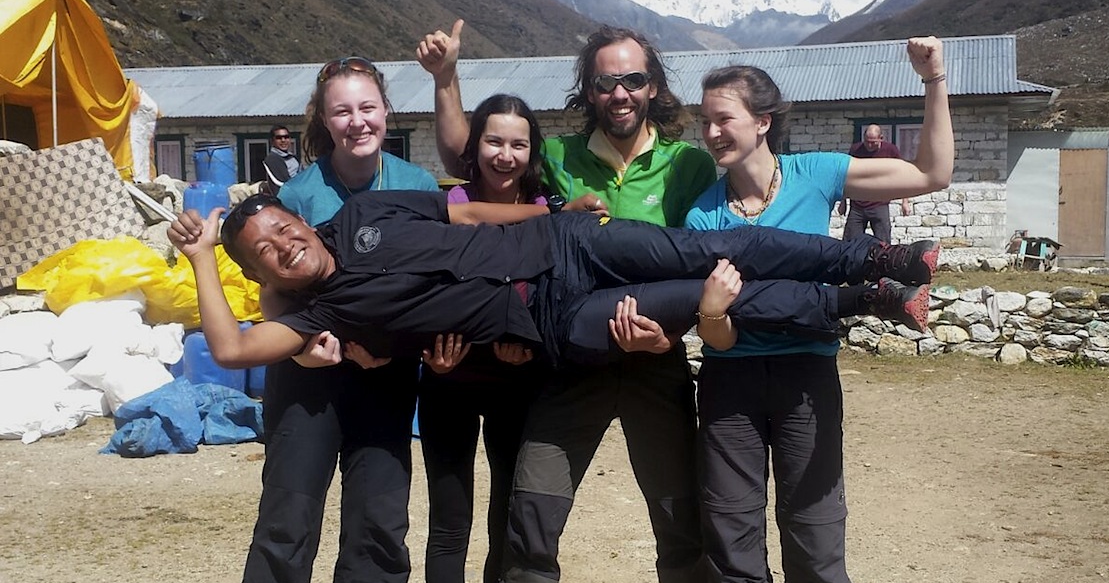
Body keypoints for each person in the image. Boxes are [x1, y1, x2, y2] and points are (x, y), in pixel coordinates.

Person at [417, 19, 721, 583]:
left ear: (654, 87)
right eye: (605, 80)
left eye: (633, 80)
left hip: (656, 368)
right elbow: (468, 156)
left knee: (681, 523)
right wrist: (446, 77)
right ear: (587, 87)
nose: (619, 93)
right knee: (532, 519)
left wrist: (671, 331)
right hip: (568, 375)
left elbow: (704, 263)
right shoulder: (554, 158)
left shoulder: (688, 167)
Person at [683, 39, 952, 583]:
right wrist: (712, 314)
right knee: (734, 541)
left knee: (816, 543)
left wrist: (934, 82)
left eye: (723, 118)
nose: (711, 132)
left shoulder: (818, 173)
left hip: (807, 381)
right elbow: (716, 338)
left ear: (763, 120)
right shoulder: (705, 215)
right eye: (704, 121)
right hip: (732, 385)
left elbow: (932, 172)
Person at [222, 56, 440, 583]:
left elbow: (431, 280)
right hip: (308, 380)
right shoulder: (300, 192)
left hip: (385, 378)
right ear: (324, 121)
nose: (357, 122)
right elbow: (274, 291)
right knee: (288, 526)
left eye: (368, 107)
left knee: (380, 526)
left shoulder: (417, 184)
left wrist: (411, 343)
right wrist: (305, 345)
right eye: (342, 111)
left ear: (387, 111)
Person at [167, 190, 937, 370]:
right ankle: (868, 302)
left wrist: (545, 205)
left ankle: (879, 259)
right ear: (259, 272)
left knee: (721, 244)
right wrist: (206, 255)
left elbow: (464, 216)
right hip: (553, 319)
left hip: (567, 240)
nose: (282, 244)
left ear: (298, 219)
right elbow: (232, 350)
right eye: (263, 251)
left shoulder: (365, 210)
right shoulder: (319, 314)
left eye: (281, 228)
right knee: (713, 296)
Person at [421, 94, 552, 583]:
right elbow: (419, 288)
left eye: (518, 144)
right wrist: (431, 353)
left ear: (533, 151)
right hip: (446, 382)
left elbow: (556, 299)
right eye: (494, 142)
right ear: (472, 147)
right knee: (451, 524)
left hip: (514, 385)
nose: (506, 155)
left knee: (509, 518)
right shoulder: (447, 206)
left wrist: (524, 346)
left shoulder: (548, 215)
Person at [837, 124, 911, 243]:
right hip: (857, 206)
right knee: (849, 244)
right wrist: (843, 201)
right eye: (867, 142)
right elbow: (847, 176)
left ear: (881, 138)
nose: (869, 145)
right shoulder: (856, 150)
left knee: (883, 244)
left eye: (873, 142)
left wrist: (905, 201)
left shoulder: (890, 150)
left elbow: (902, 174)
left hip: (879, 205)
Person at [262, 124, 301, 195]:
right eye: (279, 138)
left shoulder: (293, 157)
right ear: (272, 141)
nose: (283, 140)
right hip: (286, 199)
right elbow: (286, 183)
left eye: (286, 137)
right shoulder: (272, 159)